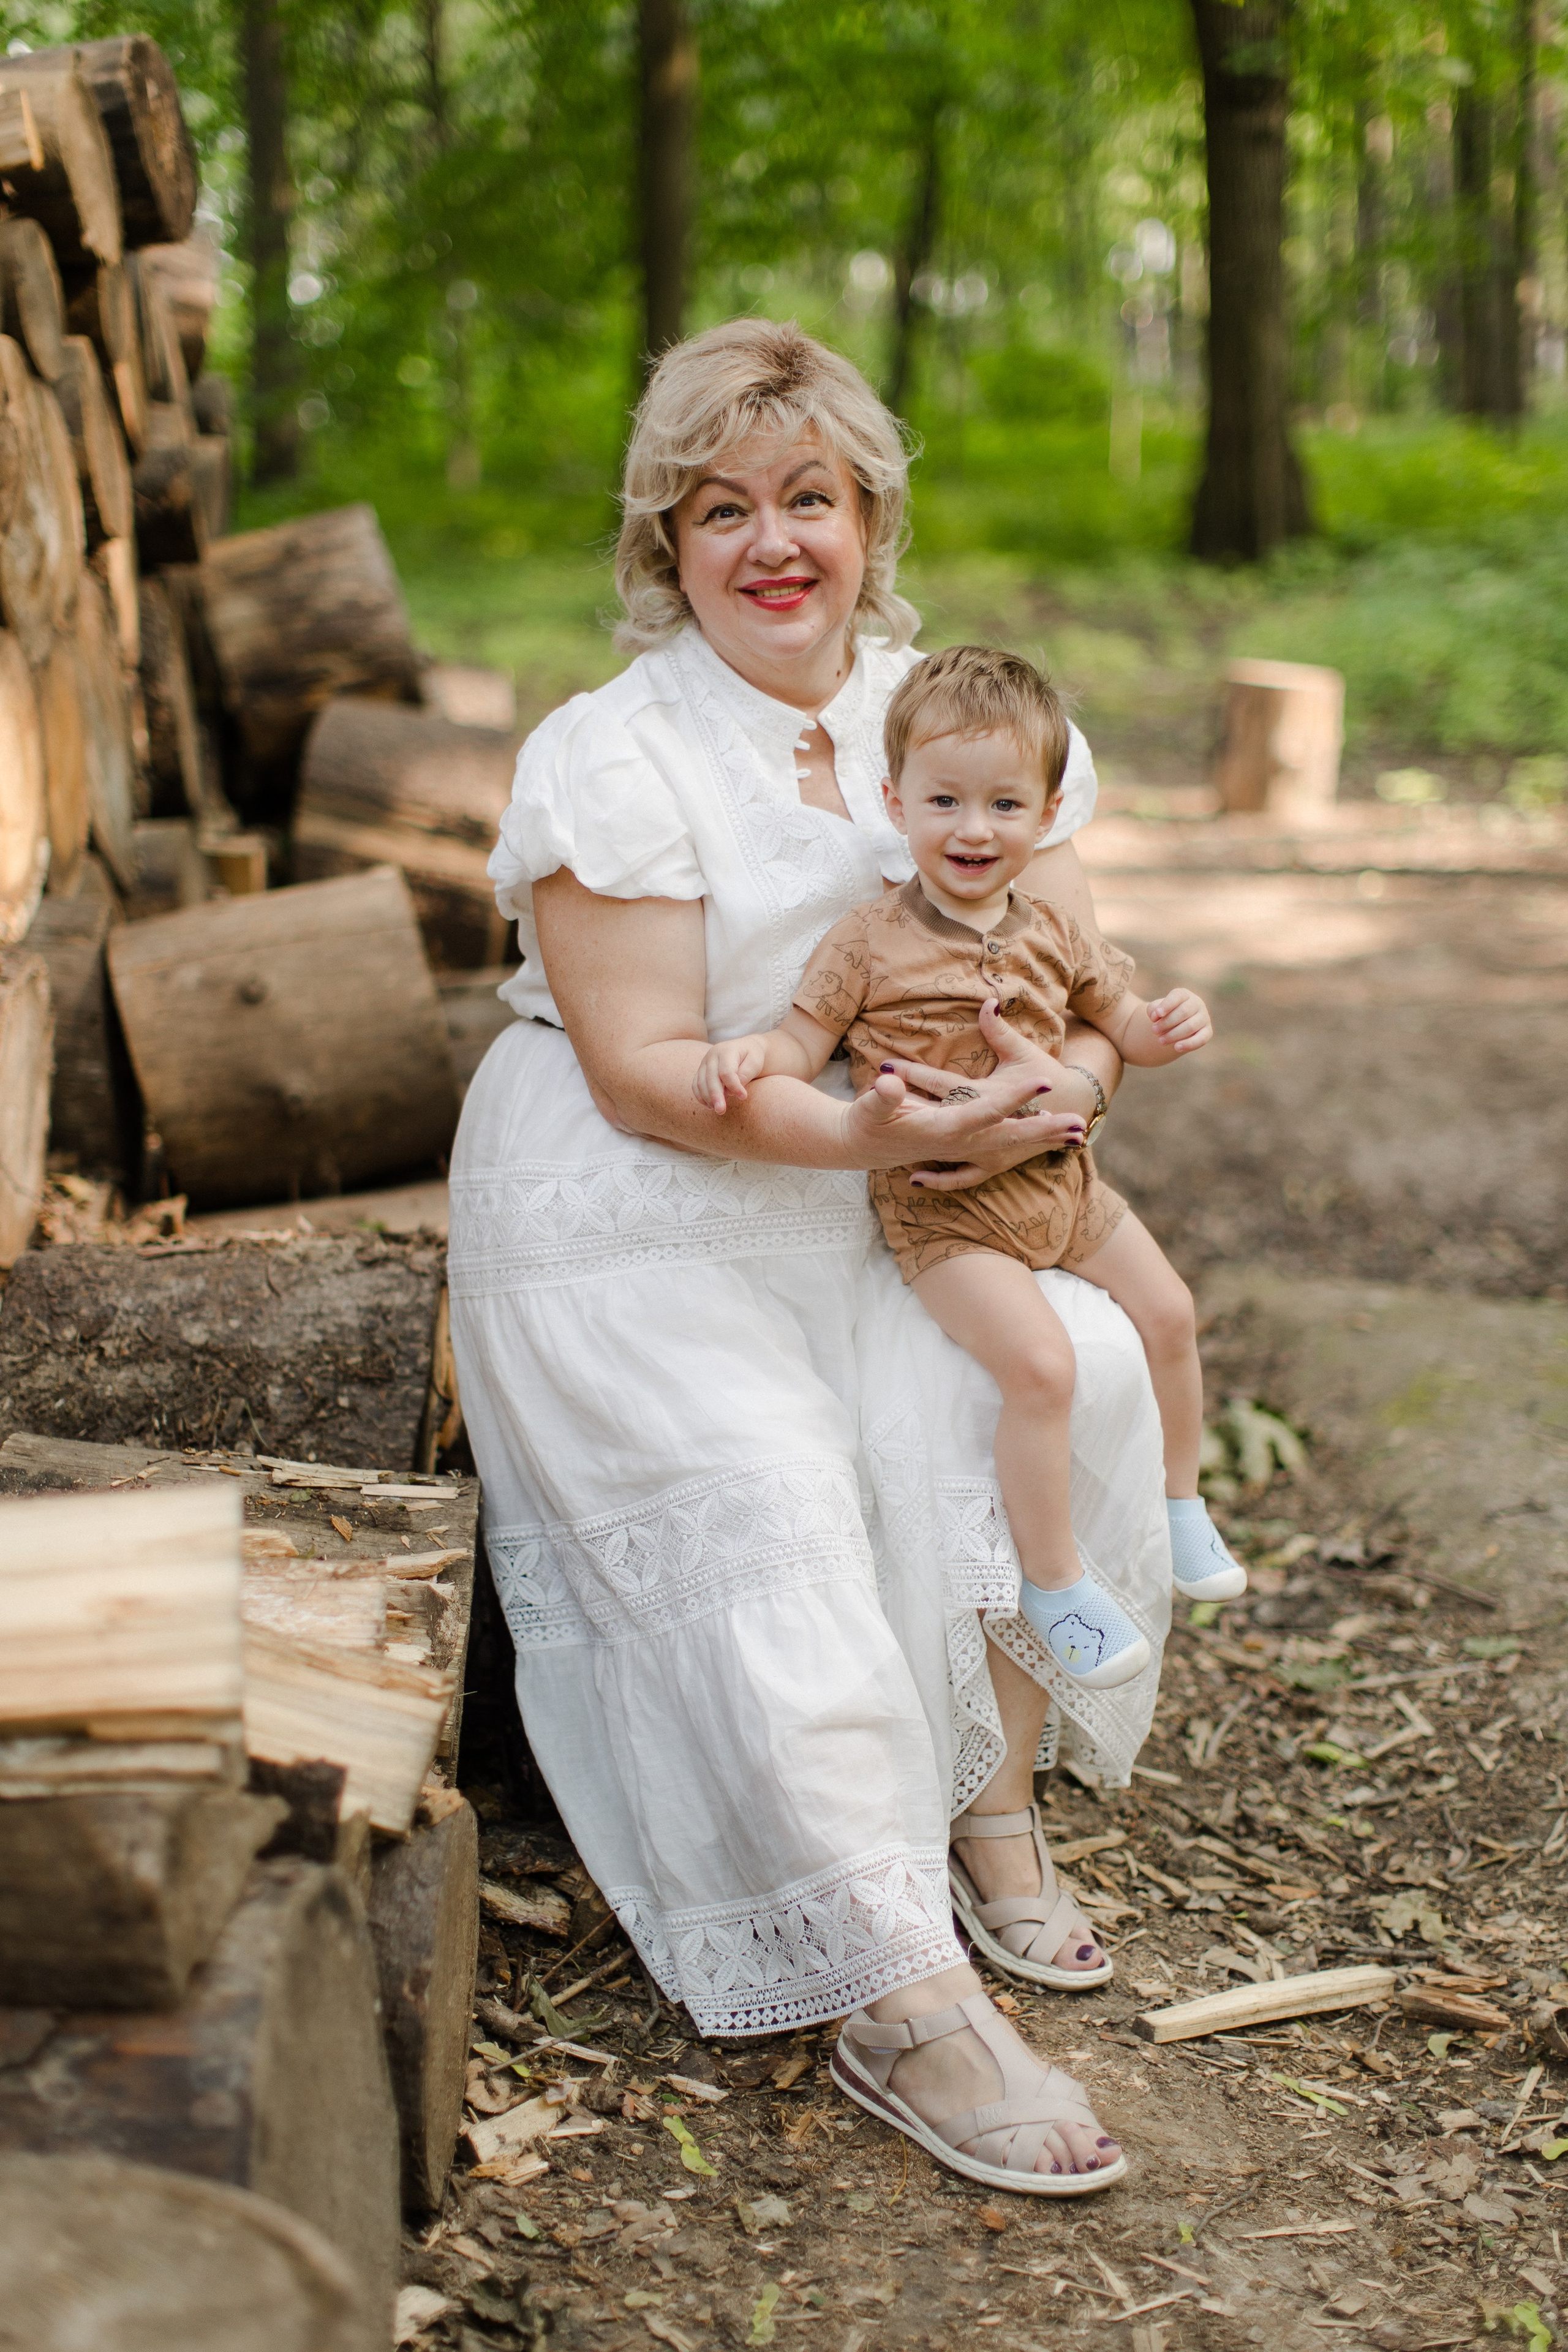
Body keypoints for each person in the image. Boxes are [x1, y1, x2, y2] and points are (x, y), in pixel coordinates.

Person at [448, 317, 1172, 2195]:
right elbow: (641, 1070)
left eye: (812, 501)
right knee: (767, 1487)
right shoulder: (608, 755)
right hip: (640, 1197)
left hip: (894, 1187)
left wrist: (1062, 1087)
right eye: (721, 511)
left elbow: (1077, 982)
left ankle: (988, 1803)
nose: (774, 543)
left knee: (1064, 1364)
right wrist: (872, 1128)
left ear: (871, 518)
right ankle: (898, 1985)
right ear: (663, 546)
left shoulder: (957, 710)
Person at [692, 642, 1249, 1709]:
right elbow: (803, 1044)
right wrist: (749, 1058)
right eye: (944, 800)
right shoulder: (867, 942)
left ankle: (1183, 1508)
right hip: (948, 1213)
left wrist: (1168, 1024)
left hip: (1064, 1189)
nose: (974, 830)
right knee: (1042, 1368)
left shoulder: (1055, 931)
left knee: (1171, 1313)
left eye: (1004, 805)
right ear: (895, 801)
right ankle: (1054, 1584)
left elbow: (1118, 1023)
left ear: (1045, 817)